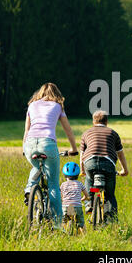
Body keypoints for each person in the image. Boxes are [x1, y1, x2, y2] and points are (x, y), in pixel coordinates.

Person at [23, 83, 78, 230]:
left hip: (29, 144)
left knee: (36, 167)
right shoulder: (58, 105)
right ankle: (58, 224)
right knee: (53, 184)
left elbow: (27, 130)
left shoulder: (32, 105)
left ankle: (29, 189)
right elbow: (68, 130)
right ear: (56, 94)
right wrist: (73, 149)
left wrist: (24, 149)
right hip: (48, 144)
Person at [79, 110, 129, 223]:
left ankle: (89, 203)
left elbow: (82, 154)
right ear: (106, 121)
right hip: (108, 163)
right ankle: (110, 220)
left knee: (90, 180)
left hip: (90, 162)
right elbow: (120, 153)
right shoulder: (113, 133)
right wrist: (124, 170)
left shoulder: (86, 133)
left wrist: (82, 170)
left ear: (93, 121)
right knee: (109, 194)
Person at [61, 162, 89, 234]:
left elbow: (61, 196)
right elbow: (86, 195)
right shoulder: (79, 184)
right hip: (77, 206)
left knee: (63, 222)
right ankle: (85, 235)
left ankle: (62, 234)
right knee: (81, 223)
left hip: (65, 206)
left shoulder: (63, 184)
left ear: (64, 175)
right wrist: (84, 198)